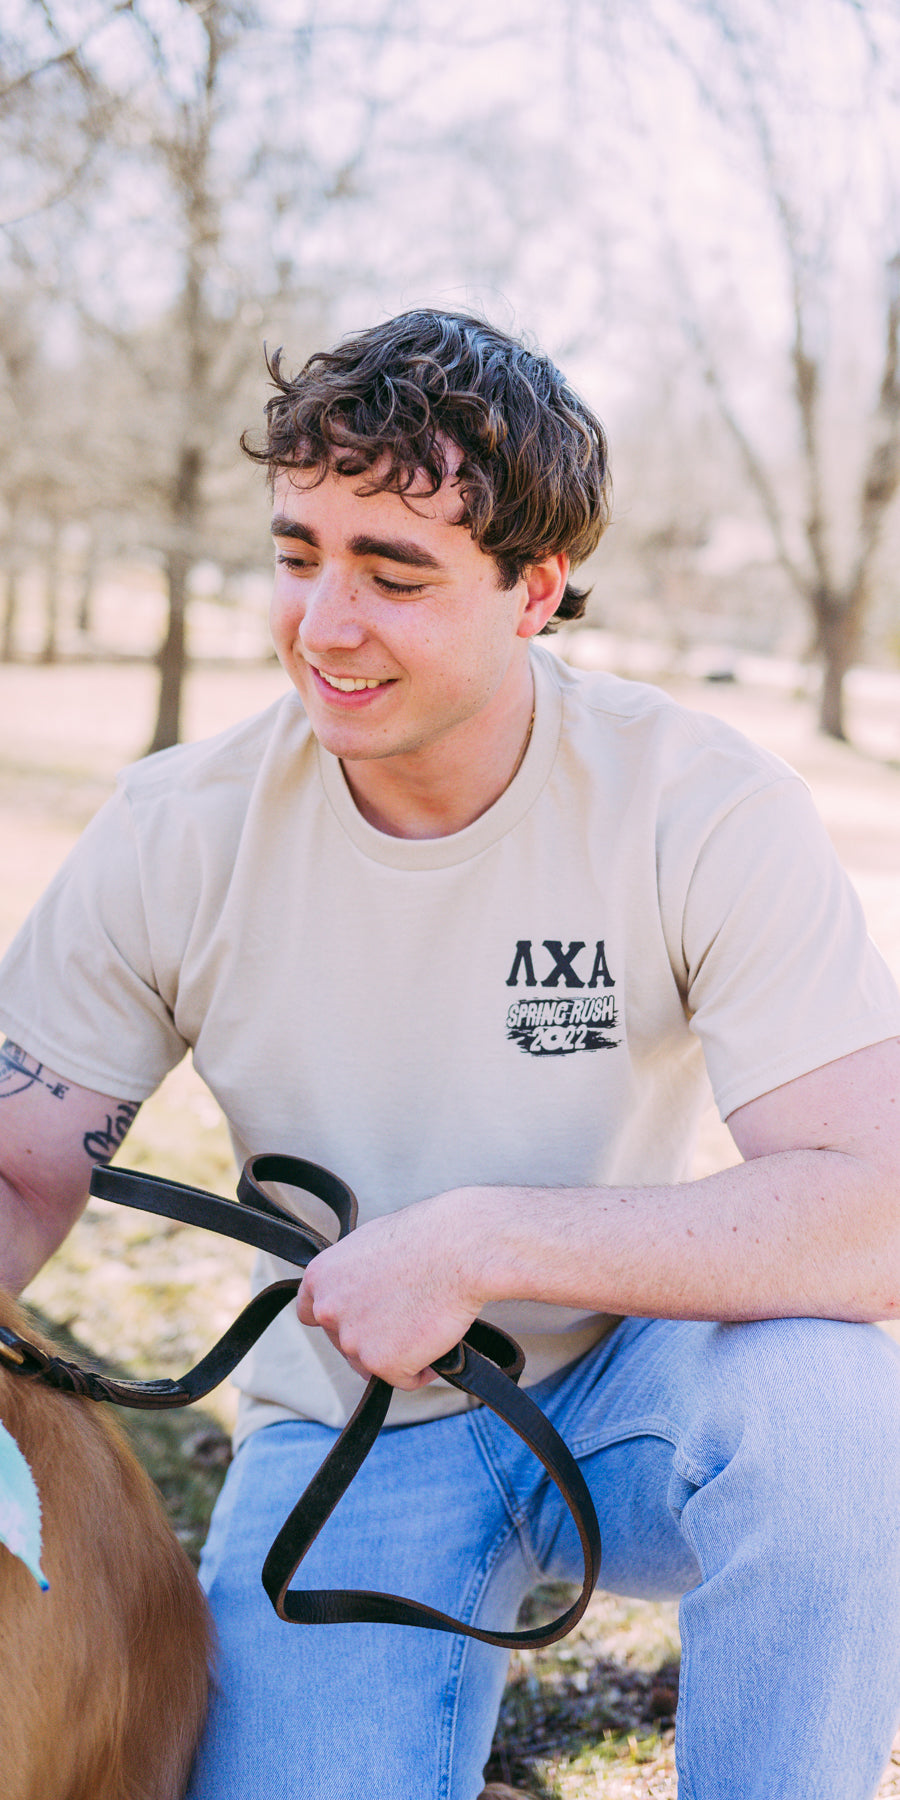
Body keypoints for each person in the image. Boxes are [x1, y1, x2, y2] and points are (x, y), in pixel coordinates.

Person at [2, 308, 900, 1800]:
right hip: (347, 1439)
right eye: (299, 555)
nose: (323, 624)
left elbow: (876, 1207)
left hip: (640, 1392)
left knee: (833, 1405)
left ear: (535, 590)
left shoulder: (701, 804)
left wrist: (478, 1241)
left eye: (394, 573)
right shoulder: (177, 829)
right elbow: (21, 1168)